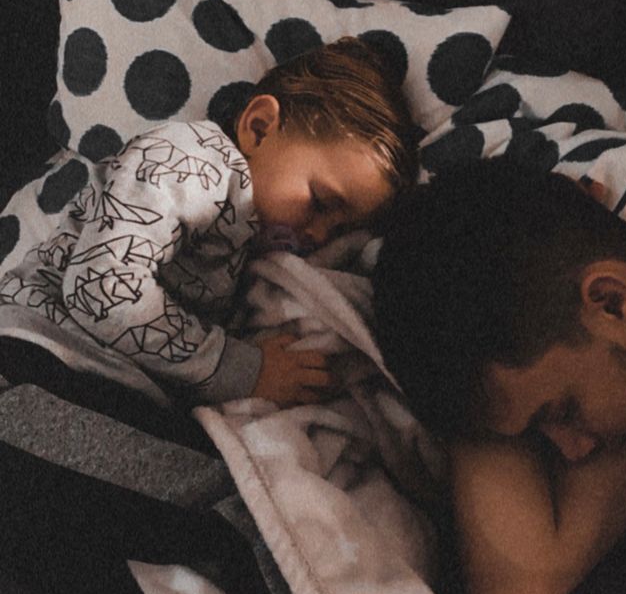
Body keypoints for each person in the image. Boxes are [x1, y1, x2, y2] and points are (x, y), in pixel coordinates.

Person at [372, 154, 626, 594]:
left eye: (561, 411)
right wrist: (463, 394)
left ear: (613, 303)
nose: (575, 452)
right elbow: (520, 581)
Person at [0, 37, 417, 410]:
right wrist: (242, 368)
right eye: (322, 202)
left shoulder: (245, 231)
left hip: (107, 378)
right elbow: (102, 288)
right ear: (258, 128)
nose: (321, 235)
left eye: (342, 230)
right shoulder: (190, 161)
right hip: (41, 346)